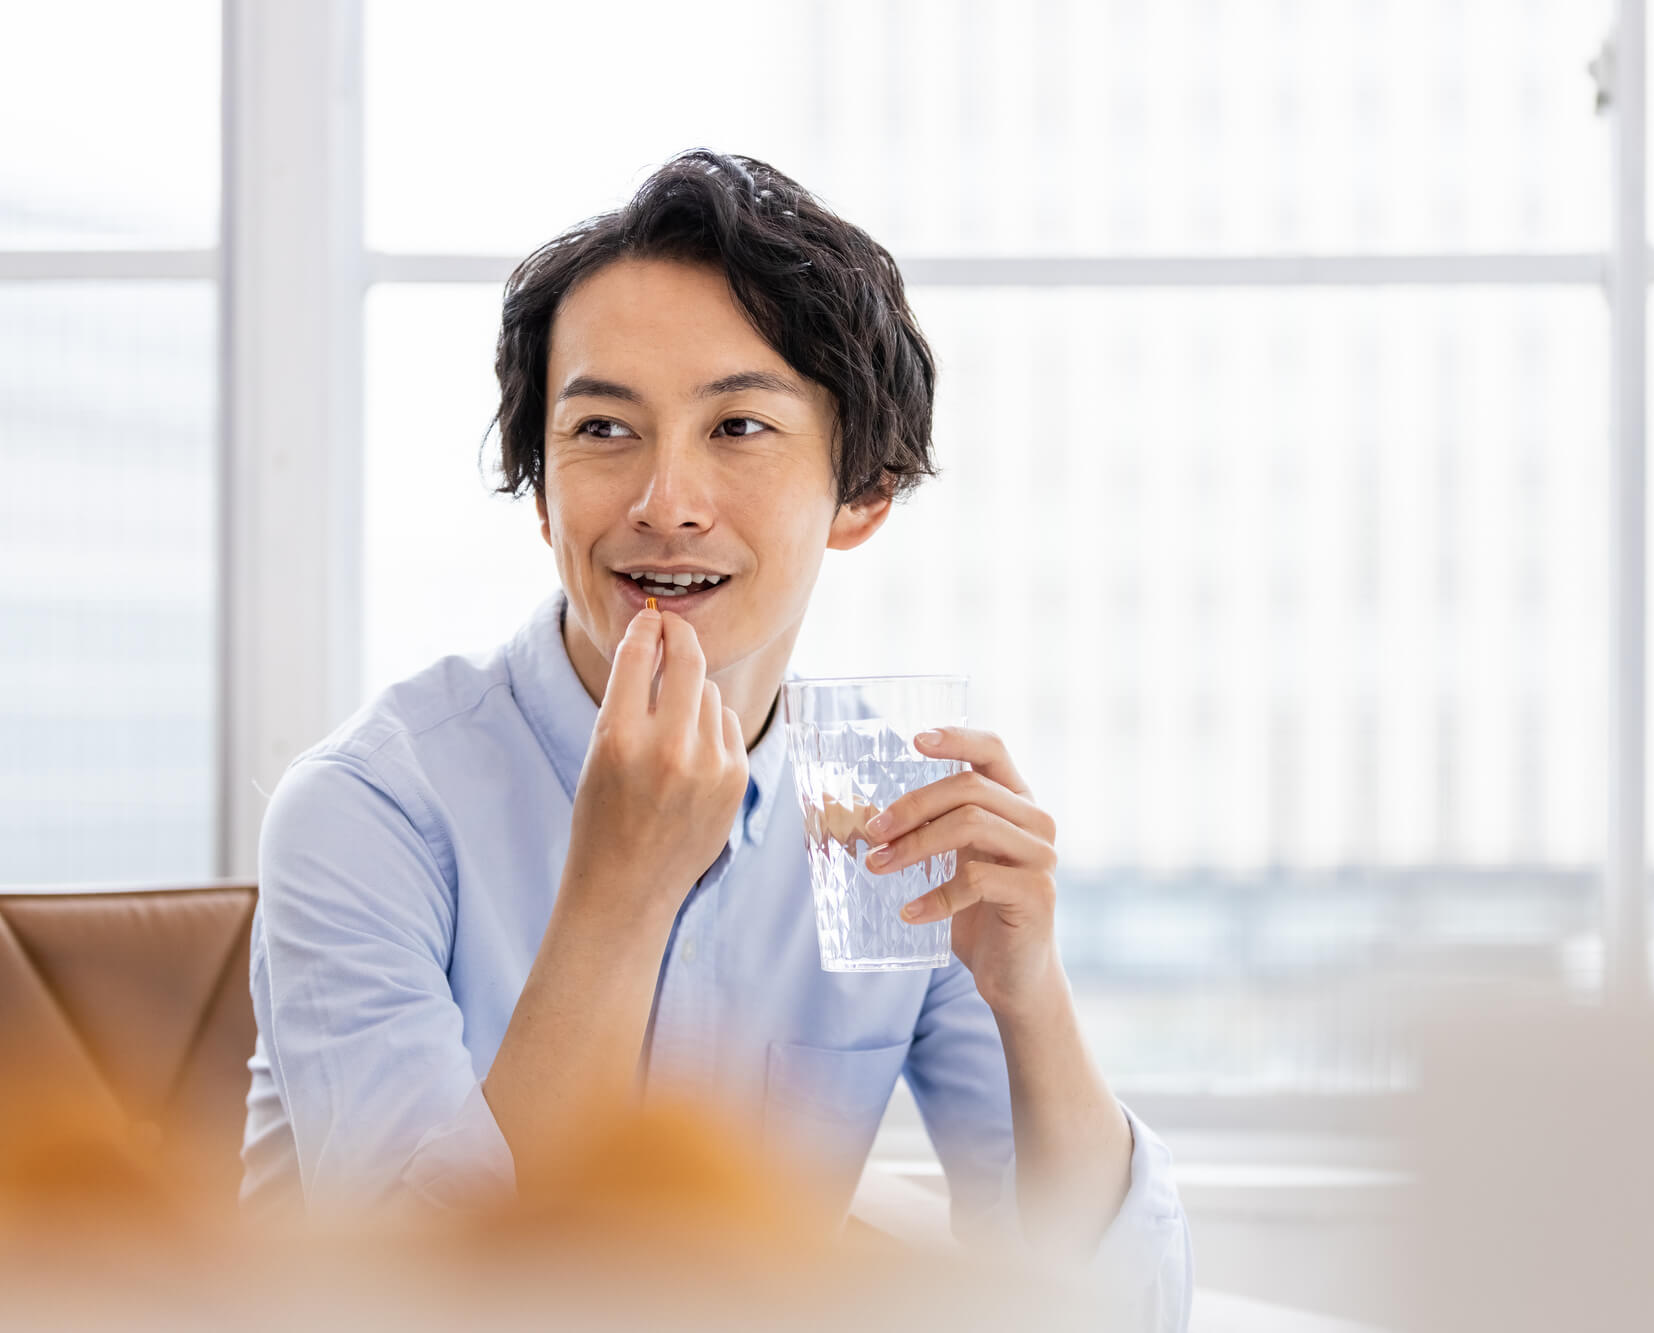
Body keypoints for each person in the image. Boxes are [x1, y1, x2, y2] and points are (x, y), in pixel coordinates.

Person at [241, 149, 1192, 1328]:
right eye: (602, 429)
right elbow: (418, 1299)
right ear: (540, 491)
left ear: (864, 493)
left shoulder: (887, 821)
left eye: (736, 425)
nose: (664, 500)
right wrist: (621, 892)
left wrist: (1029, 992)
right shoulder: (367, 809)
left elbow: (1116, 1310)